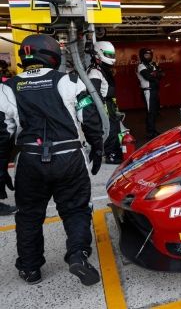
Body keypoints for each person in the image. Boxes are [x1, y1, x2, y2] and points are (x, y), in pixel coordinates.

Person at [0, 34, 103, 285]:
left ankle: (30, 267)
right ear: (53, 54)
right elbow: (90, 118)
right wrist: (97, 149)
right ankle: (78, 255)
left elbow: (2, 132)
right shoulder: (70, 80)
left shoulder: (7, 87)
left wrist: (1, 166)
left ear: (25, 57)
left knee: (28, 216)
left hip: (31, 159)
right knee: (76, 209)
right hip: (70, 156)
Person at [88, 41, 122, 164]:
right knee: (110, 130)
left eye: (112, 55)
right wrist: (102, 107)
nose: (112, 58)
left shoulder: (103, 69)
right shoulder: (94, 72)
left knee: (116, 129)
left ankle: (116, 152)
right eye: (108, 55)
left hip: (110, 103)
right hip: (103, 104)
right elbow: (95, 93)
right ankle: (110, 154)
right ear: (98, 54)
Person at [136, 48, 164, 139]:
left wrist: (155, 74)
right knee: (150, 112)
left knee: (155, 112)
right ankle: (150, 133)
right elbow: (148, 77)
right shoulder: (141, 66)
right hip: (147, 91)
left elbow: (162, 75)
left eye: (149, 55)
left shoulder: (151, 65)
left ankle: (153, 130)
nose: (148, 57)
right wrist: (156, 73)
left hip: (154, 90)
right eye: (146, 55)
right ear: (142, 56)